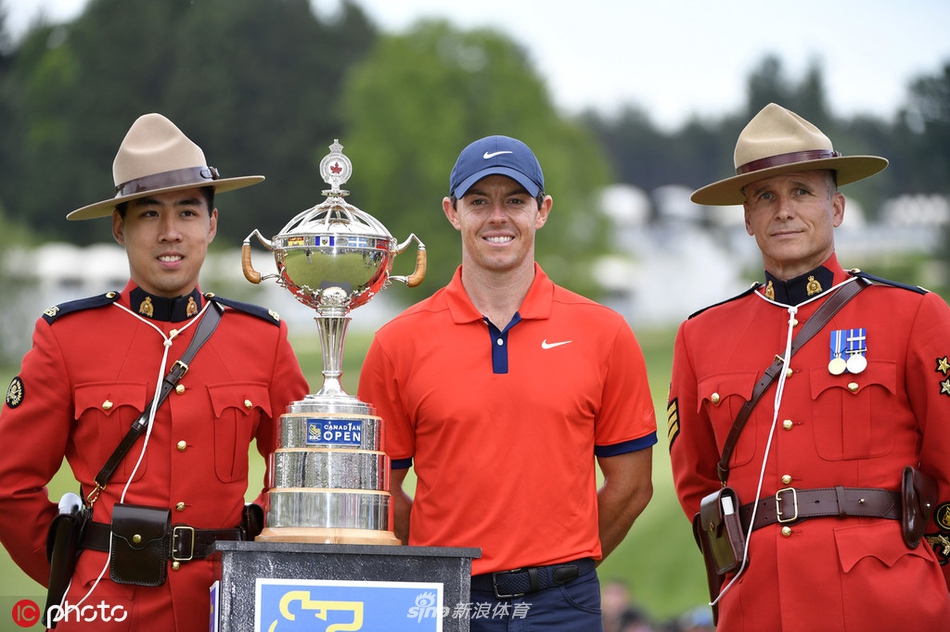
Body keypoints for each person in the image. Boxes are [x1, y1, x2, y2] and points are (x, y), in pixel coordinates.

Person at [0, 113, 309, 630]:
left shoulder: (263, 339)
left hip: (225, 605)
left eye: (188, 212)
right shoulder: (66, 337)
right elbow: (11, 484)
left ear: (211, 224)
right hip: (104, 605)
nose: (170, 233)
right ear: (120, 226)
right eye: (148, 214)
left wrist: (255, 550)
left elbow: (299, 473)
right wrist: (74, 571)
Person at [357, 135, 657, 631]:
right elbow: (379, 490)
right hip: (447, 600)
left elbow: (631, 486)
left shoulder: (604, 333)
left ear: (542, 211)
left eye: (515, 201)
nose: (498, 217)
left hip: (563, 604)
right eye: (480, 201)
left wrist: (565, 560)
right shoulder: (398, 343)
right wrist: (439, 560)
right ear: (453, 212)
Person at [668, 103, 950, 629]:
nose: (784, 210)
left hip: (889, 603)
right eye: (765, 197)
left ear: (837, 207)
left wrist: (935, 584)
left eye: (802, 191)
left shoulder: (914, 315)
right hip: (760, 604)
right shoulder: (700, 336)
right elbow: (698, 487)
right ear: (747, 218)